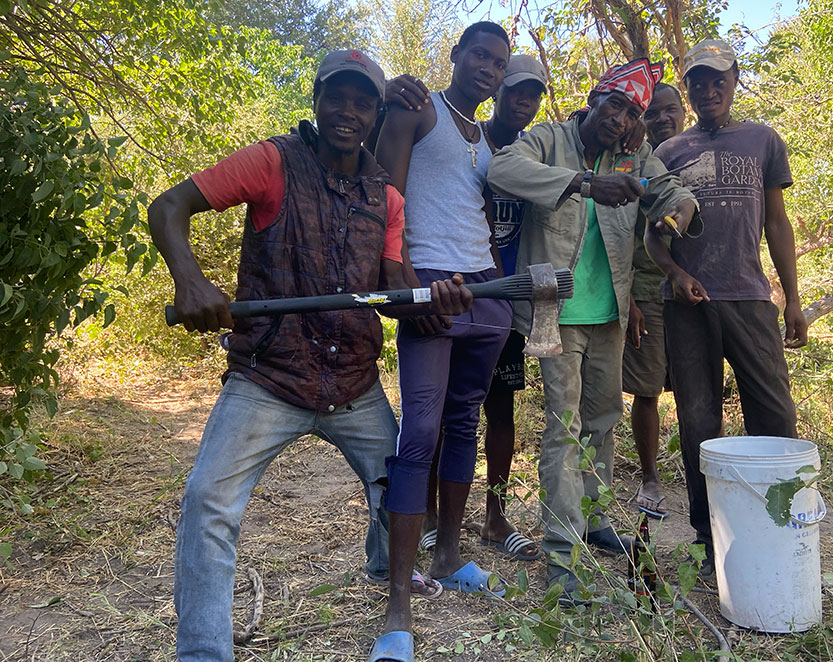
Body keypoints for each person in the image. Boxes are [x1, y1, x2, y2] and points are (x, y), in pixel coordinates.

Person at [147, 50, 471, 662]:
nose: (347, 111)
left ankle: (388, 576)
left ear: (376, 114)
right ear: (316, 99)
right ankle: (203, 651)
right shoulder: (271, 161)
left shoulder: (386, 198)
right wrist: (189, 282)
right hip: (266, 378)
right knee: (206, 500)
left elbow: (393, 291)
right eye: (337, 97)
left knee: (401, 499)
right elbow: (168, 208)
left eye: (362, 101)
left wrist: (435, 298)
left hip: (353, 381)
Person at [487, 58, 699, 602]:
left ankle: (593, 520)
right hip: (553, 313)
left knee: (603, 421)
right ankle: (562, 558)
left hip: (611, 314)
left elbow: (668, 191)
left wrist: (678, 209)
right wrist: (585, 183)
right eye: (614, 105)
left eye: (633, 113)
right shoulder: (548, 140)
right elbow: (501, 170)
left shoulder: (635, 153)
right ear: (594, 100)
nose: (621, 120)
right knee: (563, 429)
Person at [372, 22, 513, 662]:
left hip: (485, 289)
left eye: (497, 62)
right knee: (419, 432)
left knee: (463, 424)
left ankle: (452, 553)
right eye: (478, 55)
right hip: (428, 281)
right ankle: (399, 604)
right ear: (455, 55)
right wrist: (403, 287)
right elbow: (385, 197)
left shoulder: (485, 137)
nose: (486, 67)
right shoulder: (415, 106)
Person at [645, 39, 808, 576]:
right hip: (689, 306)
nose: (708, 90)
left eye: (718, 80)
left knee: (776, 416)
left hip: (750, 298)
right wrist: (677, 274)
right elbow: (654, 239)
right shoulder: (669, 154)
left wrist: (793, 301)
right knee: (698, 421)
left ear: (735, 79)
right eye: (698, 82)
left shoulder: (762, 140)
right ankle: (706, 533)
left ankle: (779, 525)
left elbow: (777, 223)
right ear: (688, 88)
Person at [623, 82, 687, 519]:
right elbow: (614, 234)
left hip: (695, 291)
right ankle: (650, 476)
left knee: (694, 389)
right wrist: (626, 295)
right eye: (654, 113)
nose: (664, 119)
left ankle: (700, 473)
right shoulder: (633, 159)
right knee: (647, 391)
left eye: (671, 110)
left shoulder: (694, 154)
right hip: (647, 291)